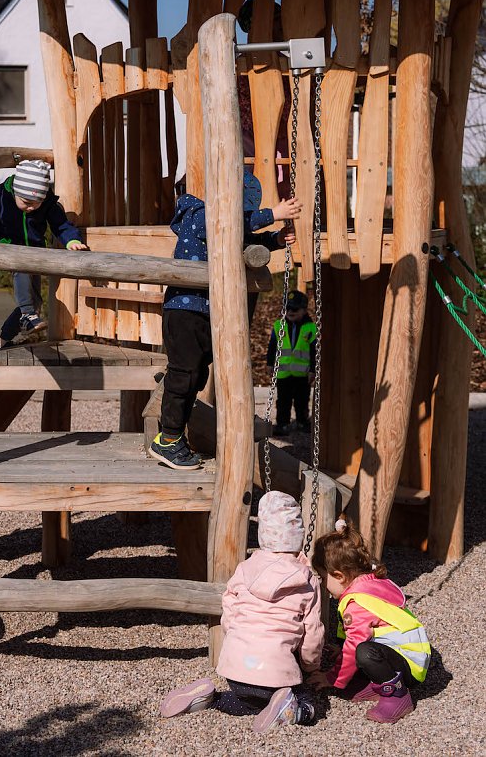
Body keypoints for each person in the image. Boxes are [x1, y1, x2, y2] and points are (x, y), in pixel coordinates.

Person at [148, 169, 301, 469]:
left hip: (205, 313)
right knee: (184, 374)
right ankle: (167, 439)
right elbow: (226, 225)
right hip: (184, 312)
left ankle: (174, 437)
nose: (246, 217)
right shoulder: (197, 213)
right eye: (245, 211)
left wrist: (276, 239)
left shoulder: (228, 226)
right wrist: (274, 214)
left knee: (196, 375)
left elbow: (243, 236)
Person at [160, 491, 324, 732]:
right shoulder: (307, 580)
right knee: (306, 699)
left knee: (245, 703)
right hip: (275, 672)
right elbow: (312, 633)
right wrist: (311, 666)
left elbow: (229, 609)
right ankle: (293, 710)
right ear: (298, 536)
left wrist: (237, 638)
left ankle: (211, 700)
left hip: (236, 668)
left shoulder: (245, 568)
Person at [309, 517, 431, 724]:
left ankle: (397, 695)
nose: (323, 584)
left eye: (323, 577)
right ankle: (375, 684)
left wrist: (332, 677)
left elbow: (354, 645)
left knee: (364, 652)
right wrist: (341, 650)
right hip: (407, 654)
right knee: (361, 652)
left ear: (338, 576)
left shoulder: (358, 603)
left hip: (410, 667)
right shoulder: (371, 582)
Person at [0, 159, 88, 349]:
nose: (31, 208)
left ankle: (1, 342)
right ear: (16, 192)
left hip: (33, 252)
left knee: (35, 302)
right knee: (24, 275)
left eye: (37, 203)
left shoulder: (46, 203)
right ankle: (27, 314)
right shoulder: (1, 197)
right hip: (6, 247)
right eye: (26, 202)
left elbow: (60, 224)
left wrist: (72, 240)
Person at [267, 290, 316, 436]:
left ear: (304, 310)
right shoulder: (279, 326)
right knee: (283, 400)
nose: (290, 312)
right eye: (287, 308)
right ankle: (282, 424)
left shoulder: (311, 328)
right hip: (283, 373)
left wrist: (313, 370)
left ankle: (302, 421)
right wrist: (270, 364)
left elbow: (314, 351)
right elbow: (272, 347)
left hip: (302, 374)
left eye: (294, 309)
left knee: (302, 400)